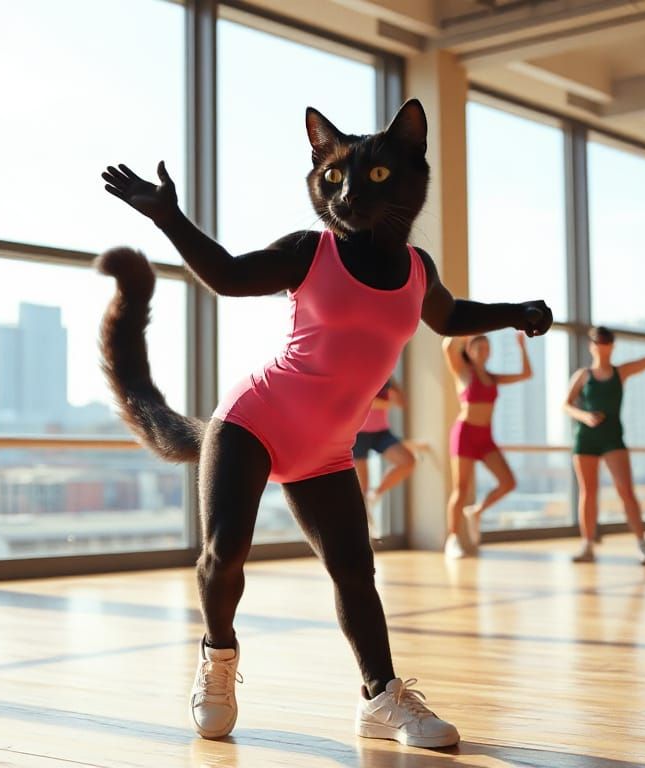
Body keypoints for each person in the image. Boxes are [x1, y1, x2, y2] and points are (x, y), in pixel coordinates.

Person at [98, 98, 553, 748]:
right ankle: (217, 660)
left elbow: (449, 319)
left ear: (408, 174)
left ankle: (380, 699)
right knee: (226, 552)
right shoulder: (312, 253)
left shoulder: (418, 272)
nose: (345, 194)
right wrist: (169, 216)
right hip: (254, 421)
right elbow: (226, 276)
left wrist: (516, 311)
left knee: (355, 570)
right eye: (329, 178)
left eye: (369, 178)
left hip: (327, 449)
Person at [564, 316, 645, 565]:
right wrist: (585, 416)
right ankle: (587, 545)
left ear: (612, 346)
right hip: (586, 439)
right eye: (598, 342)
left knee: (626, 491)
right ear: (592, 346)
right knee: (588, 493)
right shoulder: (582, 375)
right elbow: (565, 405)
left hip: (612, 438)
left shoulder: (621, 372)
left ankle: (642, 545)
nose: (603, 346)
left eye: (607, 342)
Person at [442, 332, 531, 558]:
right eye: (478, 348)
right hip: (465, 434)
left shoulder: (493, 377)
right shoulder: (463, 373)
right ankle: (452, 540)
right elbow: (447, 346)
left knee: (508, 482)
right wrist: (467, 331)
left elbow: (526, 374)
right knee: (460, 490)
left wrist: (521, 346)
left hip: (485, 437)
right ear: (470, 351)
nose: (482, 352)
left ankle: (477, 511)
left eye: (486, 348)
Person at [353, 378, 419, 537]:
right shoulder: (356, 372)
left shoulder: (386, 375)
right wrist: (386, 402)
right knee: (361, 490)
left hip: (381, 432)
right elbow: (358, 402)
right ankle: (364, 536)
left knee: (408, 461)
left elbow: (402, 402)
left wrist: (389, 388)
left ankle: (375, 494)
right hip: (358, 433)